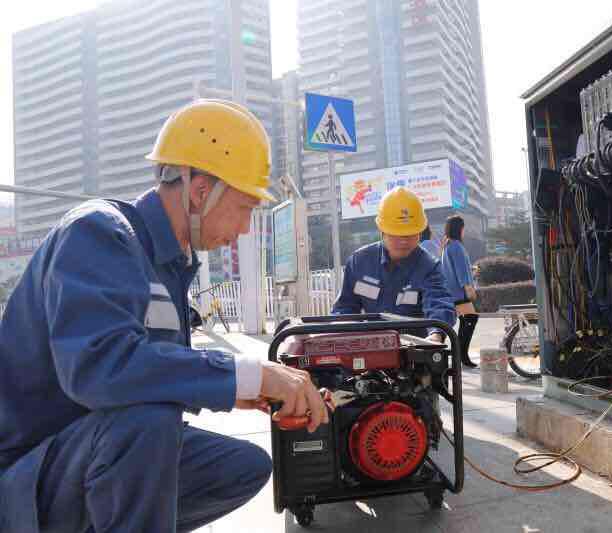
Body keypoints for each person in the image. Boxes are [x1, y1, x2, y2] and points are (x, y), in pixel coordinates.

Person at [0, 99, 328, 533]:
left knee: (243, 466)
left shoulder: (167, 264)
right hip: (29, 476)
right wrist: (249, 374)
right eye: (245, 207)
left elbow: (151, 372)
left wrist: (239, 390)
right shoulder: (99, 232)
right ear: (200, 191)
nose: (246, 227)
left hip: (94, 451)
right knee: (149, 422)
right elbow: (99, 368)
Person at [332, 187, 455, 342]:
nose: (404, 241)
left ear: (419, 232)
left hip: (415, 350)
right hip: (369, 349)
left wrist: (436, 334)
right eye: (396, 234)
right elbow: (345, 308)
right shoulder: (360, 262)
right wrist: (345, 335)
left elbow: (439, 303)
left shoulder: (429, 267)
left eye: (410, 234)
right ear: (382, 231)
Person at [441, 215, 479, 366]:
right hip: (458, 292)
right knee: (470, 319)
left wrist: (471, 270)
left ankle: (460, 355)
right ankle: (461, 355)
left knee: (467, 320)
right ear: (460, 228)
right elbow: (461, 270)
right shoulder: (456, 246)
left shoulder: (448, 245)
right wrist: (469, 288)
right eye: (463, 228)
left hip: (451, 290)